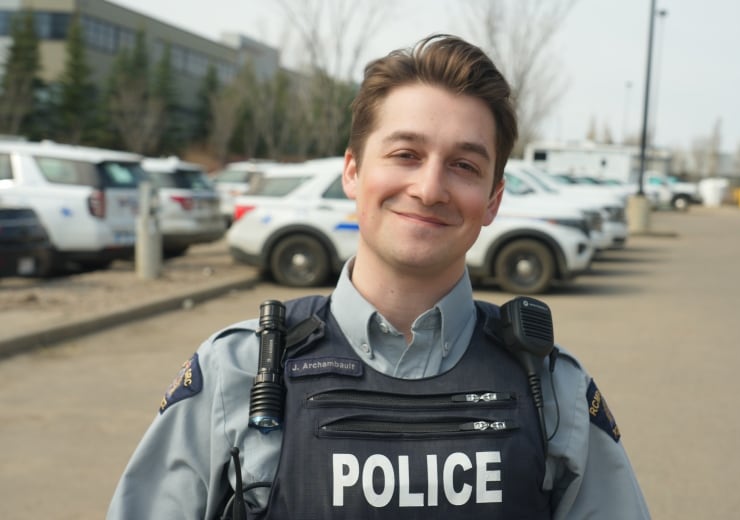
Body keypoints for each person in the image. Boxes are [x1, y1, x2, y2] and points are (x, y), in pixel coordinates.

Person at [107, 34, 650, 519]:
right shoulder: (237, 373)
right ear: (352, 171)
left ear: (493, 201)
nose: (430, 188)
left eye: (464, 165)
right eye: (406, 154)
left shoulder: (552, 390)